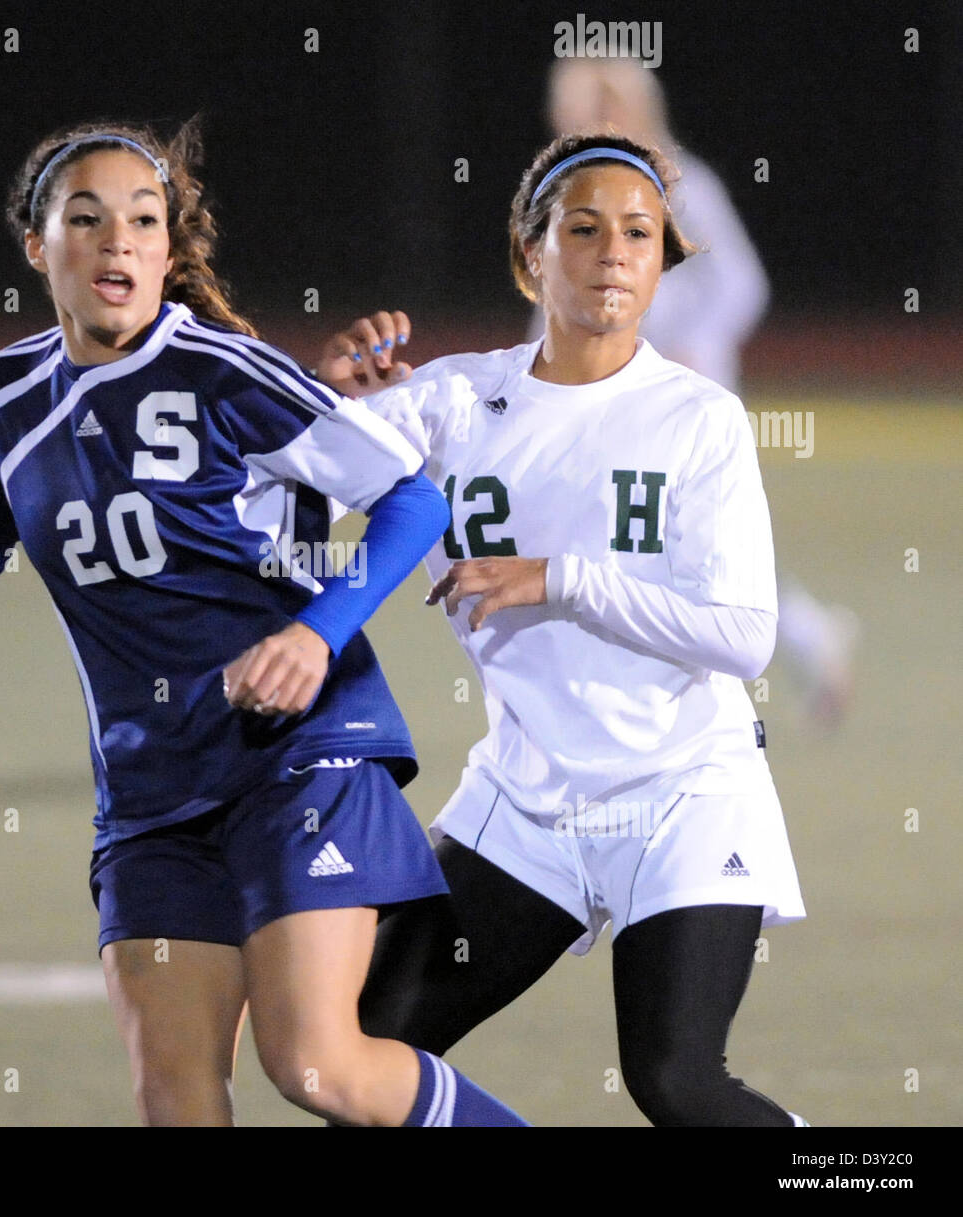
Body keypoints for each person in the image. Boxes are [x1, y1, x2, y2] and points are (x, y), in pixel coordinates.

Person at [0, 118, 530, 1128]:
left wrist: (316, 634)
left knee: (315, 1066)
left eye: (141, 220)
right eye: (84, 219)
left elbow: (411, 499)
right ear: (37, 246)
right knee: (174, 1099)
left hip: (298, 756)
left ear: (170, 250)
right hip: (149, 790)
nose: (116, 241)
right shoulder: (3, 394)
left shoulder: (226, 371)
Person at [316, 132, 809, 1126]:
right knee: (358, 1049)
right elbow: (278, 501)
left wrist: (565, 579)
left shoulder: (696, 417)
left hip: (681, 792)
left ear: (662, 261)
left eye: (638, 232)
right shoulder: (452, 400)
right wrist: (326, 404)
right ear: (529, 253)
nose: (614, 252)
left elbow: (746, 636)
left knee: (676, 1079)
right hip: (528, 799)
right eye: (582, 228)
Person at [535, 56, 858, 723]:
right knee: (647, 543)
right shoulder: (570, 197)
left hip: (686, 398)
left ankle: (758, 663)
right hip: (610, 400)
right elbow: (552, 303)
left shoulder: (687, 188)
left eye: (600, 111)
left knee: (693, 547)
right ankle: (802, 641)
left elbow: (744, 284)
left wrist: (694, 345)